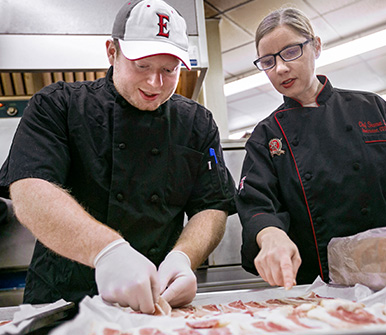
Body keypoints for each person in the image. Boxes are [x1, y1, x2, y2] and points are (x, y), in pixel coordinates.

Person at [0, 0, 236, 313]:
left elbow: (212, 205)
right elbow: (29, 189)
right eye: (142, 66)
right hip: (61, 302)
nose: (155, 83)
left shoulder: (197, 122)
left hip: (153, 303)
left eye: (169, 70)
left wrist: (183, 258)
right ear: (112, 52)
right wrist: (108, 251)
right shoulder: (58, 105)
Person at [236, 7, 386, 290]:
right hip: (317, 290)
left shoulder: (373, 109)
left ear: (316, 46)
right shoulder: (266, 136)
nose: (280, 68)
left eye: (290, 52)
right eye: (268, 61)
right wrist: (270, 234)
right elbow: (257, 203)